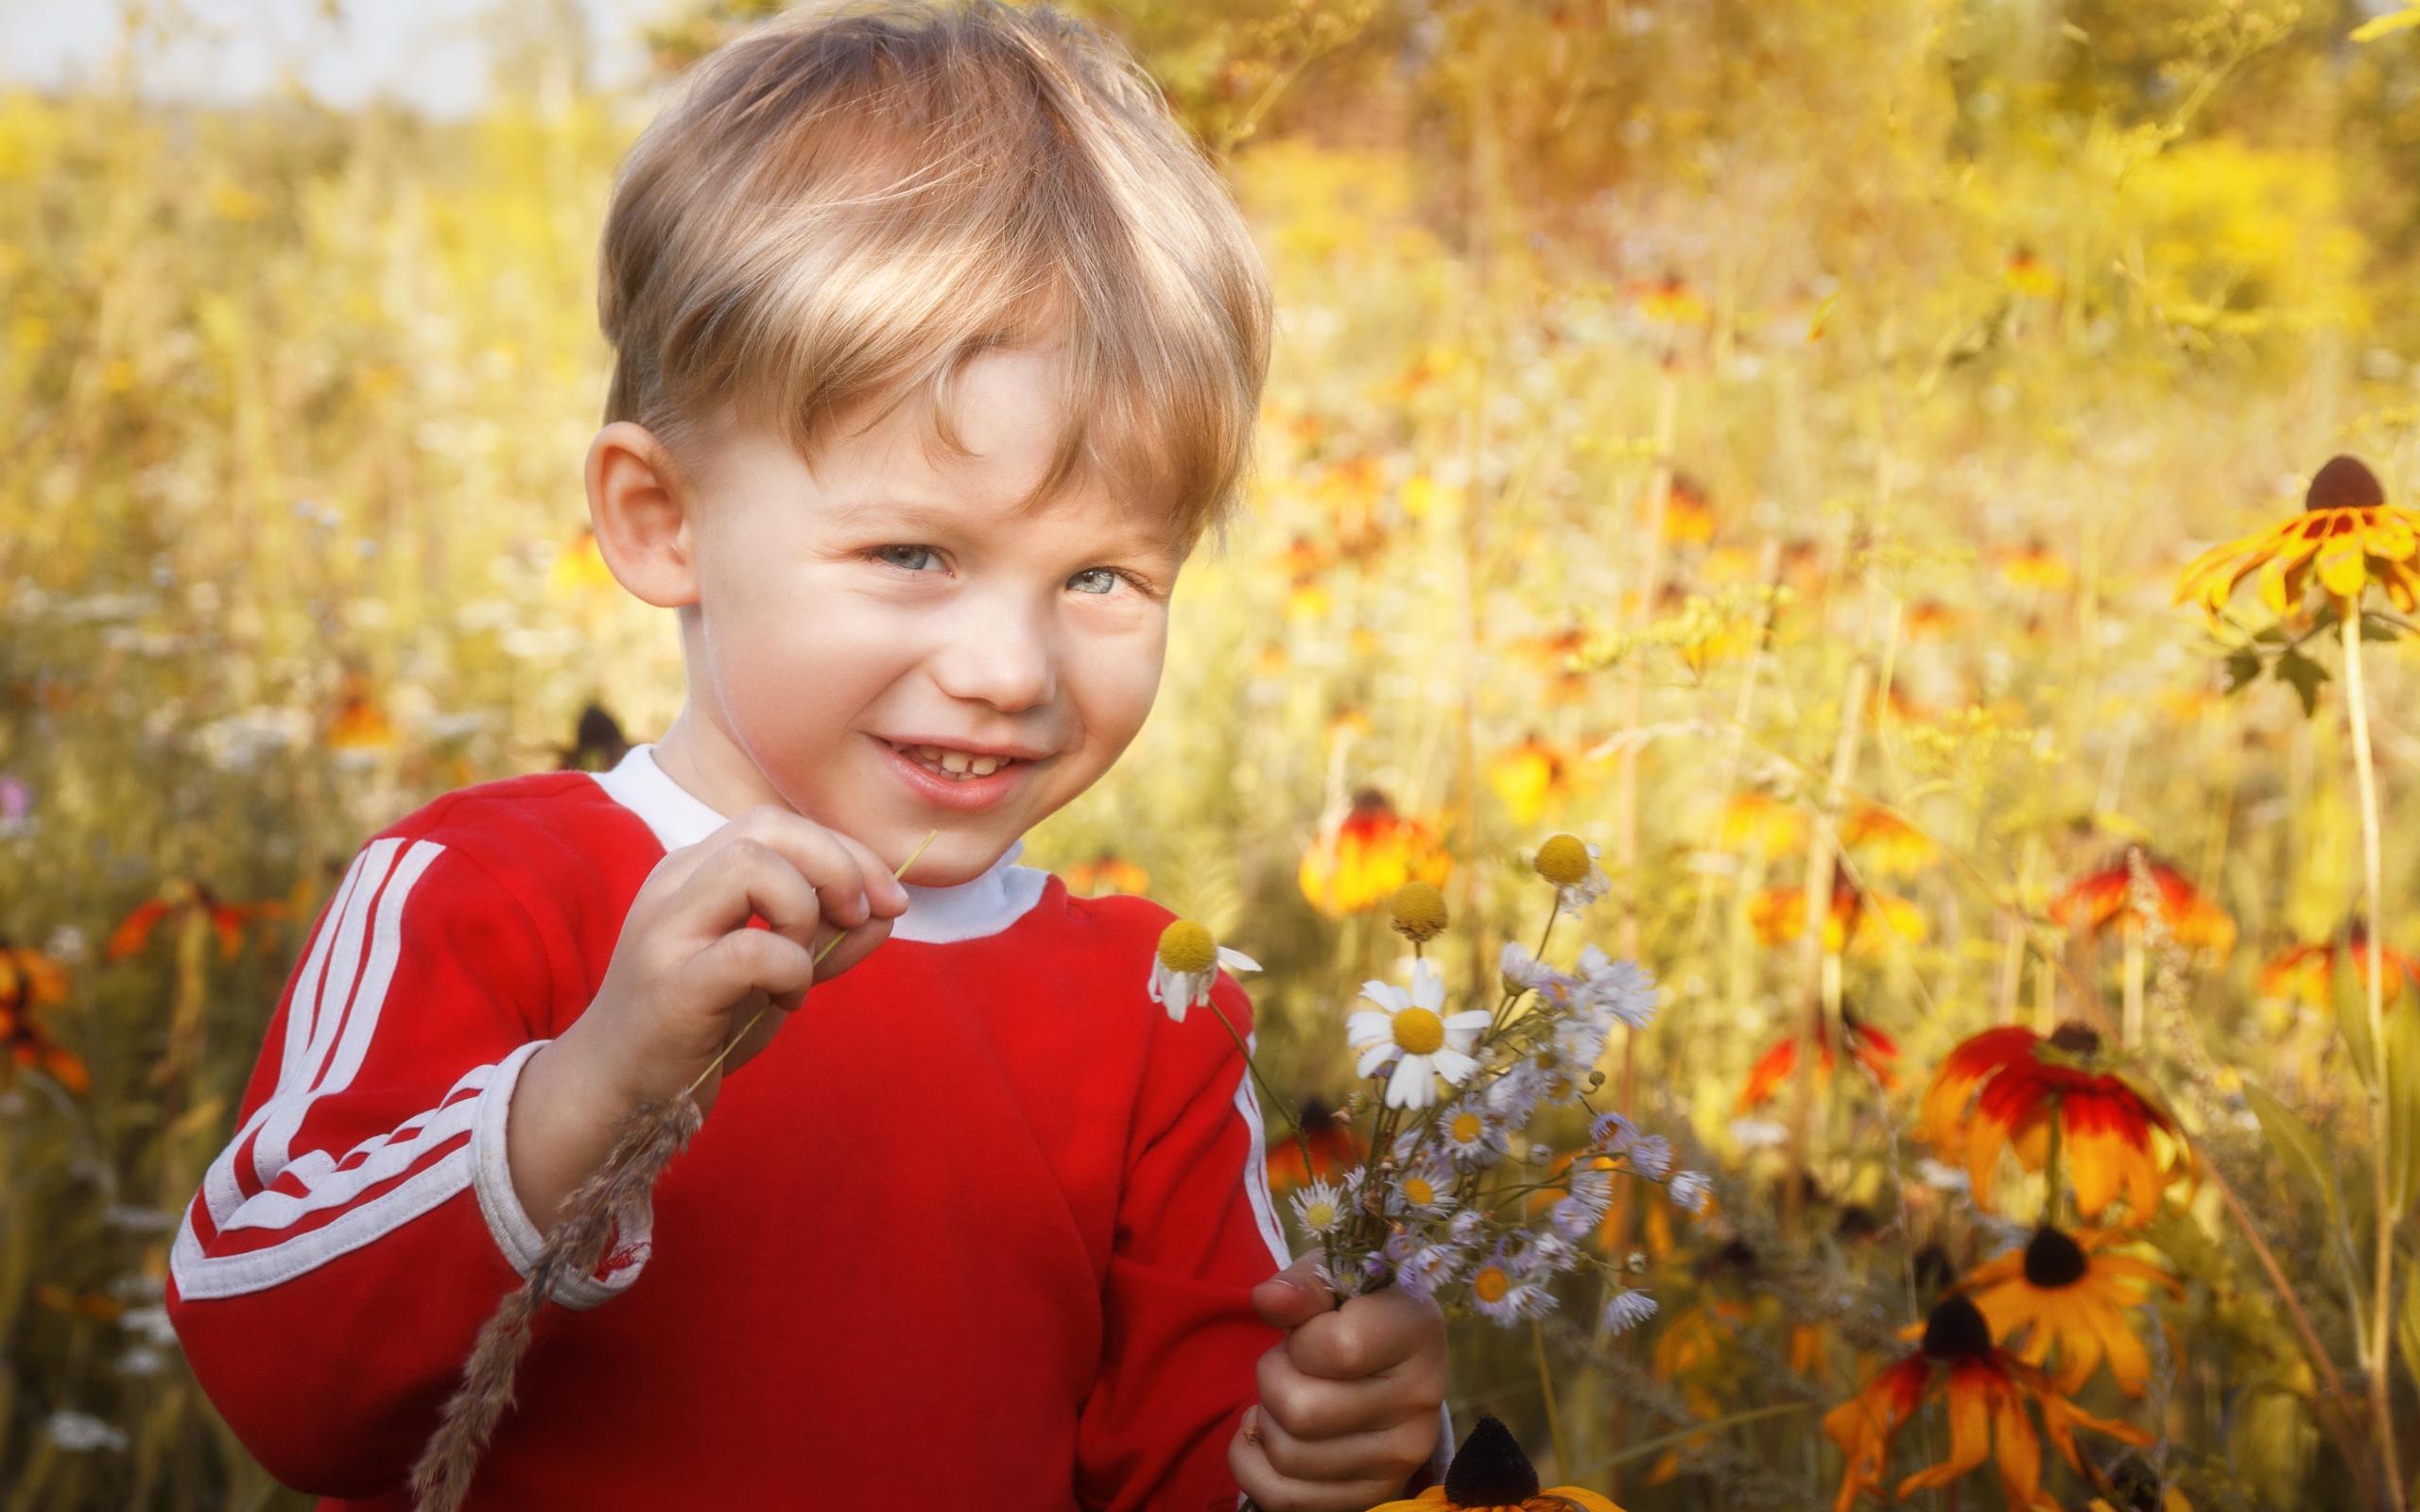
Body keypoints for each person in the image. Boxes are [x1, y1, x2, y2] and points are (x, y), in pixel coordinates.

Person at [165, 5, 1448, 1508]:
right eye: (913, 551)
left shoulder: (1152, 1014)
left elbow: (1180, 1471)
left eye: (1104, 577)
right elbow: (269, 1367)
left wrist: (1324, 1449)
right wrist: (584, 1089)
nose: (1008, 670)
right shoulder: (480, 889)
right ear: (663, 521)